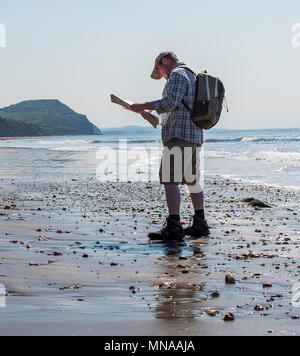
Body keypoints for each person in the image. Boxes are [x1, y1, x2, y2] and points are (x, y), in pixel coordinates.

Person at [130, 51, 210, 241]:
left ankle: (174, 225)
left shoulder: (176, 74)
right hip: (193, 133)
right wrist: (152, 113)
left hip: (178, 134)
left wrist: (143, 105)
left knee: (170, 178)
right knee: (192, 179)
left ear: (164, 62)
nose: (162, 75)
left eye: (160, 70)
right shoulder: (192, 75)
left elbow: (171, 102)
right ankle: (200, 222)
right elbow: (179, 106)